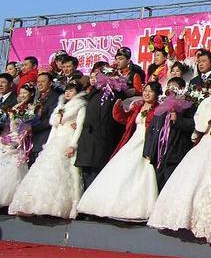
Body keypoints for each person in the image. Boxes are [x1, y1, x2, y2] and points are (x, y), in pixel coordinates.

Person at [148, 80, 211, 244]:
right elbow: (200, 123)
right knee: (191, 177)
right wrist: (208, 121)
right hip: (205, 142)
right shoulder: (207, 103)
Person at [76, 82, 161, 221]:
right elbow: (125, 119)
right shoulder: (138, 106)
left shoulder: (158, 109)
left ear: (157, 94)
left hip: (147, 143)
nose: (146, 93)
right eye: (145, 90)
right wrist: (118, 108)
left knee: (140, 174)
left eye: (150, 91)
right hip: (133, 141)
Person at [8, 81, 87, 219]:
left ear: (78, 92)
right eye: (66, 90)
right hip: (55, 142)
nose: (68, 93)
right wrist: (48, 144)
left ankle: (59, 208)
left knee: (63, 173)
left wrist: (73, 145)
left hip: (67, 140)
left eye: (71, 91)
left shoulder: (80, 106)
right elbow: (54, 128)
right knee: (44, 173)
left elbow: (79, 126)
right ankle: (35, 206)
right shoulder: (60, 106)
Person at [74, 63, 124, 190]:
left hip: (99, 141)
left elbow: (107, 119)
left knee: (95, 177)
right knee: (87, 174)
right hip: (89, 140)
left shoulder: (110, 94)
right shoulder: (95, 93)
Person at [143, 77, 196, 190]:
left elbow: (193, 124)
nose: (171, 89)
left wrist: (178, 120)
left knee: (170, 182)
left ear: (182, 89)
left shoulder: (189, 106)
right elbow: (152, 129)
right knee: (157, 182)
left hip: (175, 150)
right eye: (169, 86)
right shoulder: (162, 105)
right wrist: (148, 150)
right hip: (158, 151)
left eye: (174, 87)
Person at [29, 72, 62, 166]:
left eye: (43, 81)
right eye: (38, 82)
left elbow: (51, 119)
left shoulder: (55, 97)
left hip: (44, 139)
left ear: (50, 83)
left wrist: (32, 128)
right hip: (33, 140)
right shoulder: (38, 97)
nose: (39, 84)